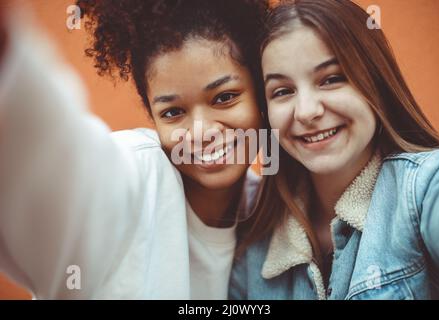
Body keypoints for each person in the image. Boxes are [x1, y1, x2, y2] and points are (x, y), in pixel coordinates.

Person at [0, 0, 266, 299]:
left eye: (224, 97)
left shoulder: (269, 210)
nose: (201, 132)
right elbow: (57, 159)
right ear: (151, 116)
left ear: (261, 90)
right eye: (173, 112)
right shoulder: (137, 174)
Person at [230, 0, 439, 300]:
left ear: (374, 82)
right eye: (282, 91)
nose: (306, 112)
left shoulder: (428, 190)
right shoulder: (252, 241)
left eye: (331, 79)